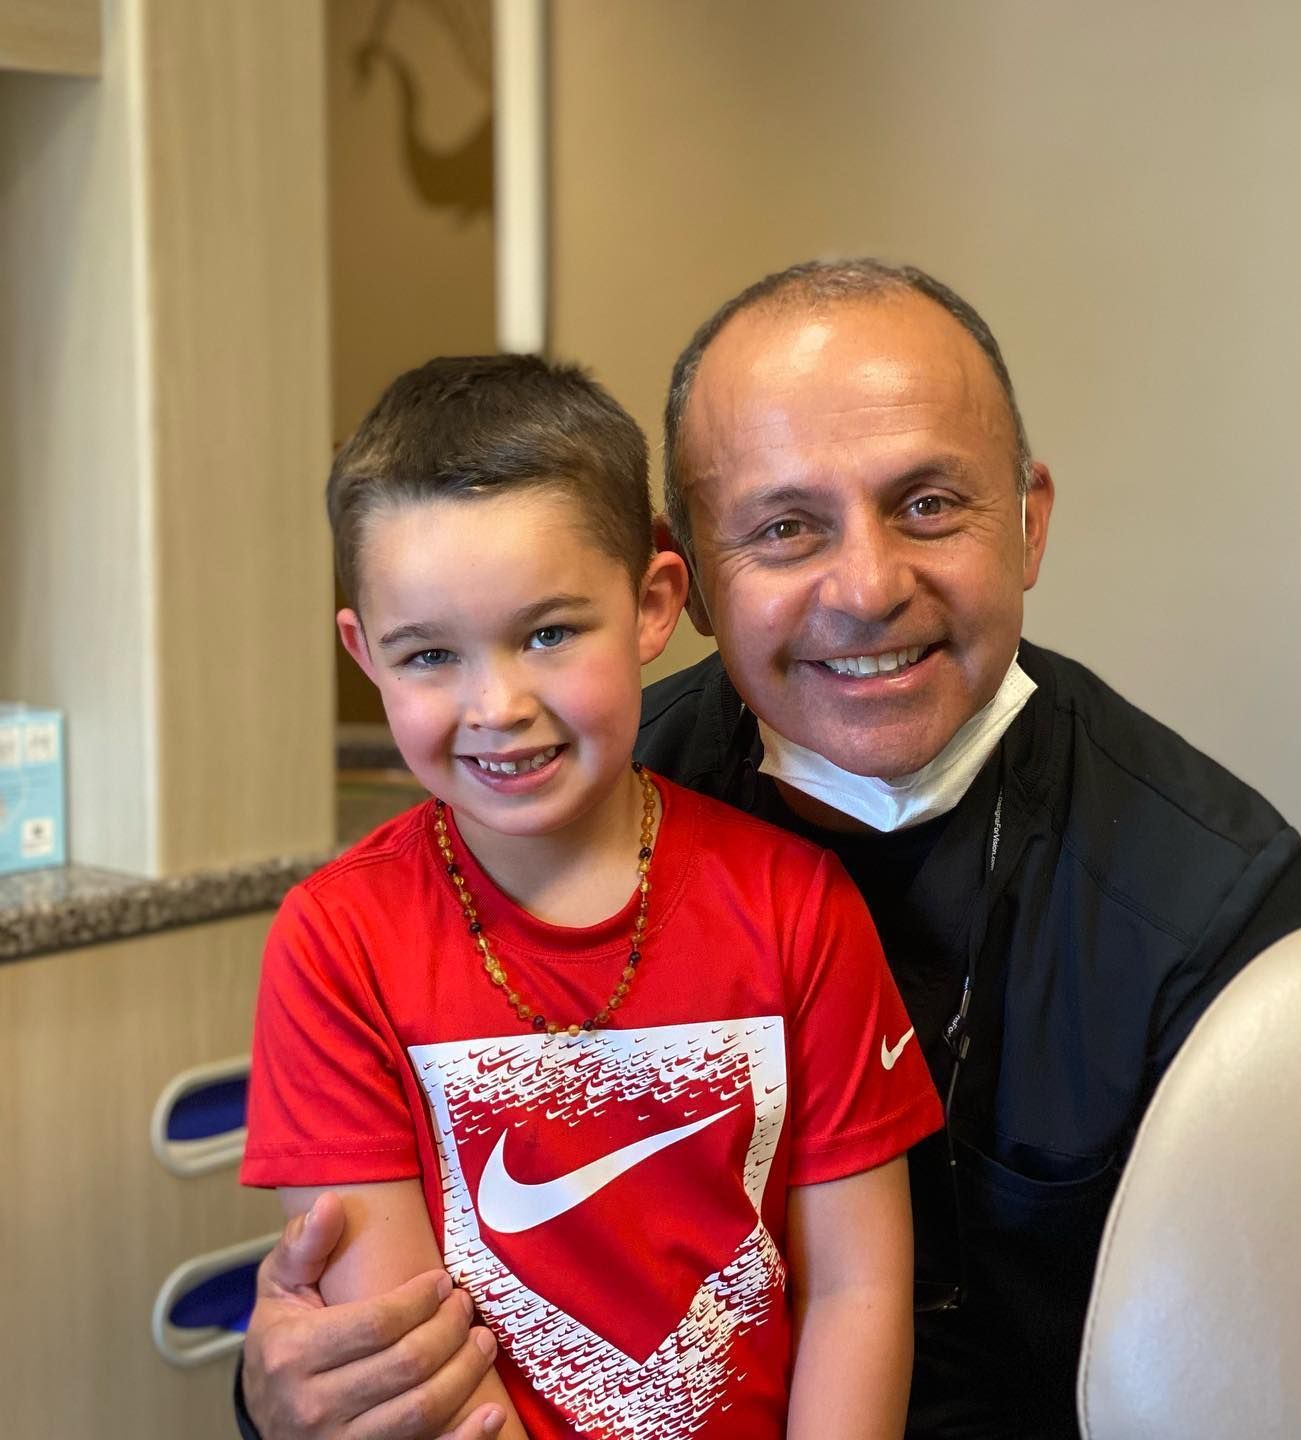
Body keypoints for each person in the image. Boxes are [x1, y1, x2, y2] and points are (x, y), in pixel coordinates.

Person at [237, 262, 1301, 1440]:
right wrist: (290, 1400)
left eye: (927, 506)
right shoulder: (563, 788)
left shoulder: (1208, 900)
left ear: (1029, 523)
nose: (864, 588)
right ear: (687, 583)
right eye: (785, 528)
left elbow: (1285, 1366)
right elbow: (383, 1297)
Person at [239, 354, 942, 1440]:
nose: (497, 704)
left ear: (654, 603)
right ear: (363, 656)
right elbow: (404, 1348)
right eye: (428, 654)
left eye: (549, 633)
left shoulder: (797, 904)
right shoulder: (335, 943)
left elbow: (857, 1290)